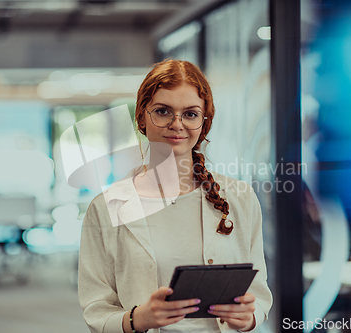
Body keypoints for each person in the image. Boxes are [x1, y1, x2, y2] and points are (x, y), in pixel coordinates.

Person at [78, 59, 272, 333]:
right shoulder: (107, 206)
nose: (176, 124)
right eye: (163, 111)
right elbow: (96, 309)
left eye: (190, 114)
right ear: (141, 117)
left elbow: (259, 290)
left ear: (204, 123)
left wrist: (250, 317)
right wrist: (139, 318)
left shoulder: (240, 198)